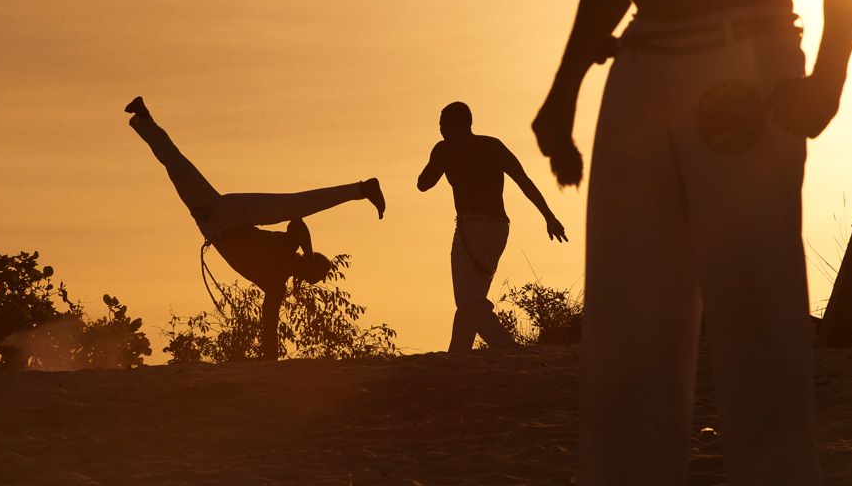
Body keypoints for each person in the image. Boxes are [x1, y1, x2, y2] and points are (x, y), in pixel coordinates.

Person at [533, 0, 852, 486]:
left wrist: (829, 76)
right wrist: (566, 83)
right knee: (626, 348)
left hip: (745, 58)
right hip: (641, 64)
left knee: (760, 336)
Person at [125, 96, 385, 361]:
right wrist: (308, 255)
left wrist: (270, 358)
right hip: (236, 215)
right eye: (313, 271)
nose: (308, 274)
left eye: (311, 276)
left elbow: (268, 322)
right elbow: (297, 223)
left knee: (177, 167)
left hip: (215, 220)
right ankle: (362, 189)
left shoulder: (276, 283)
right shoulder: (288, 250)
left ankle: (144, 119)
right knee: (295, 204)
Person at [418, 102, 568, 353]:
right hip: (499, 229)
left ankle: (507, 347)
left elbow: (423, 184)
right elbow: (524, 182)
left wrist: (440, 156)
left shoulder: (445, 150)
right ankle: (458, 354)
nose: (441, 129)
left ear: (459, 125)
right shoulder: (492, 146)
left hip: (471, 229)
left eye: (444, 124)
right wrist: (548, 217)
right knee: (471, 296)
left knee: (469, 301)